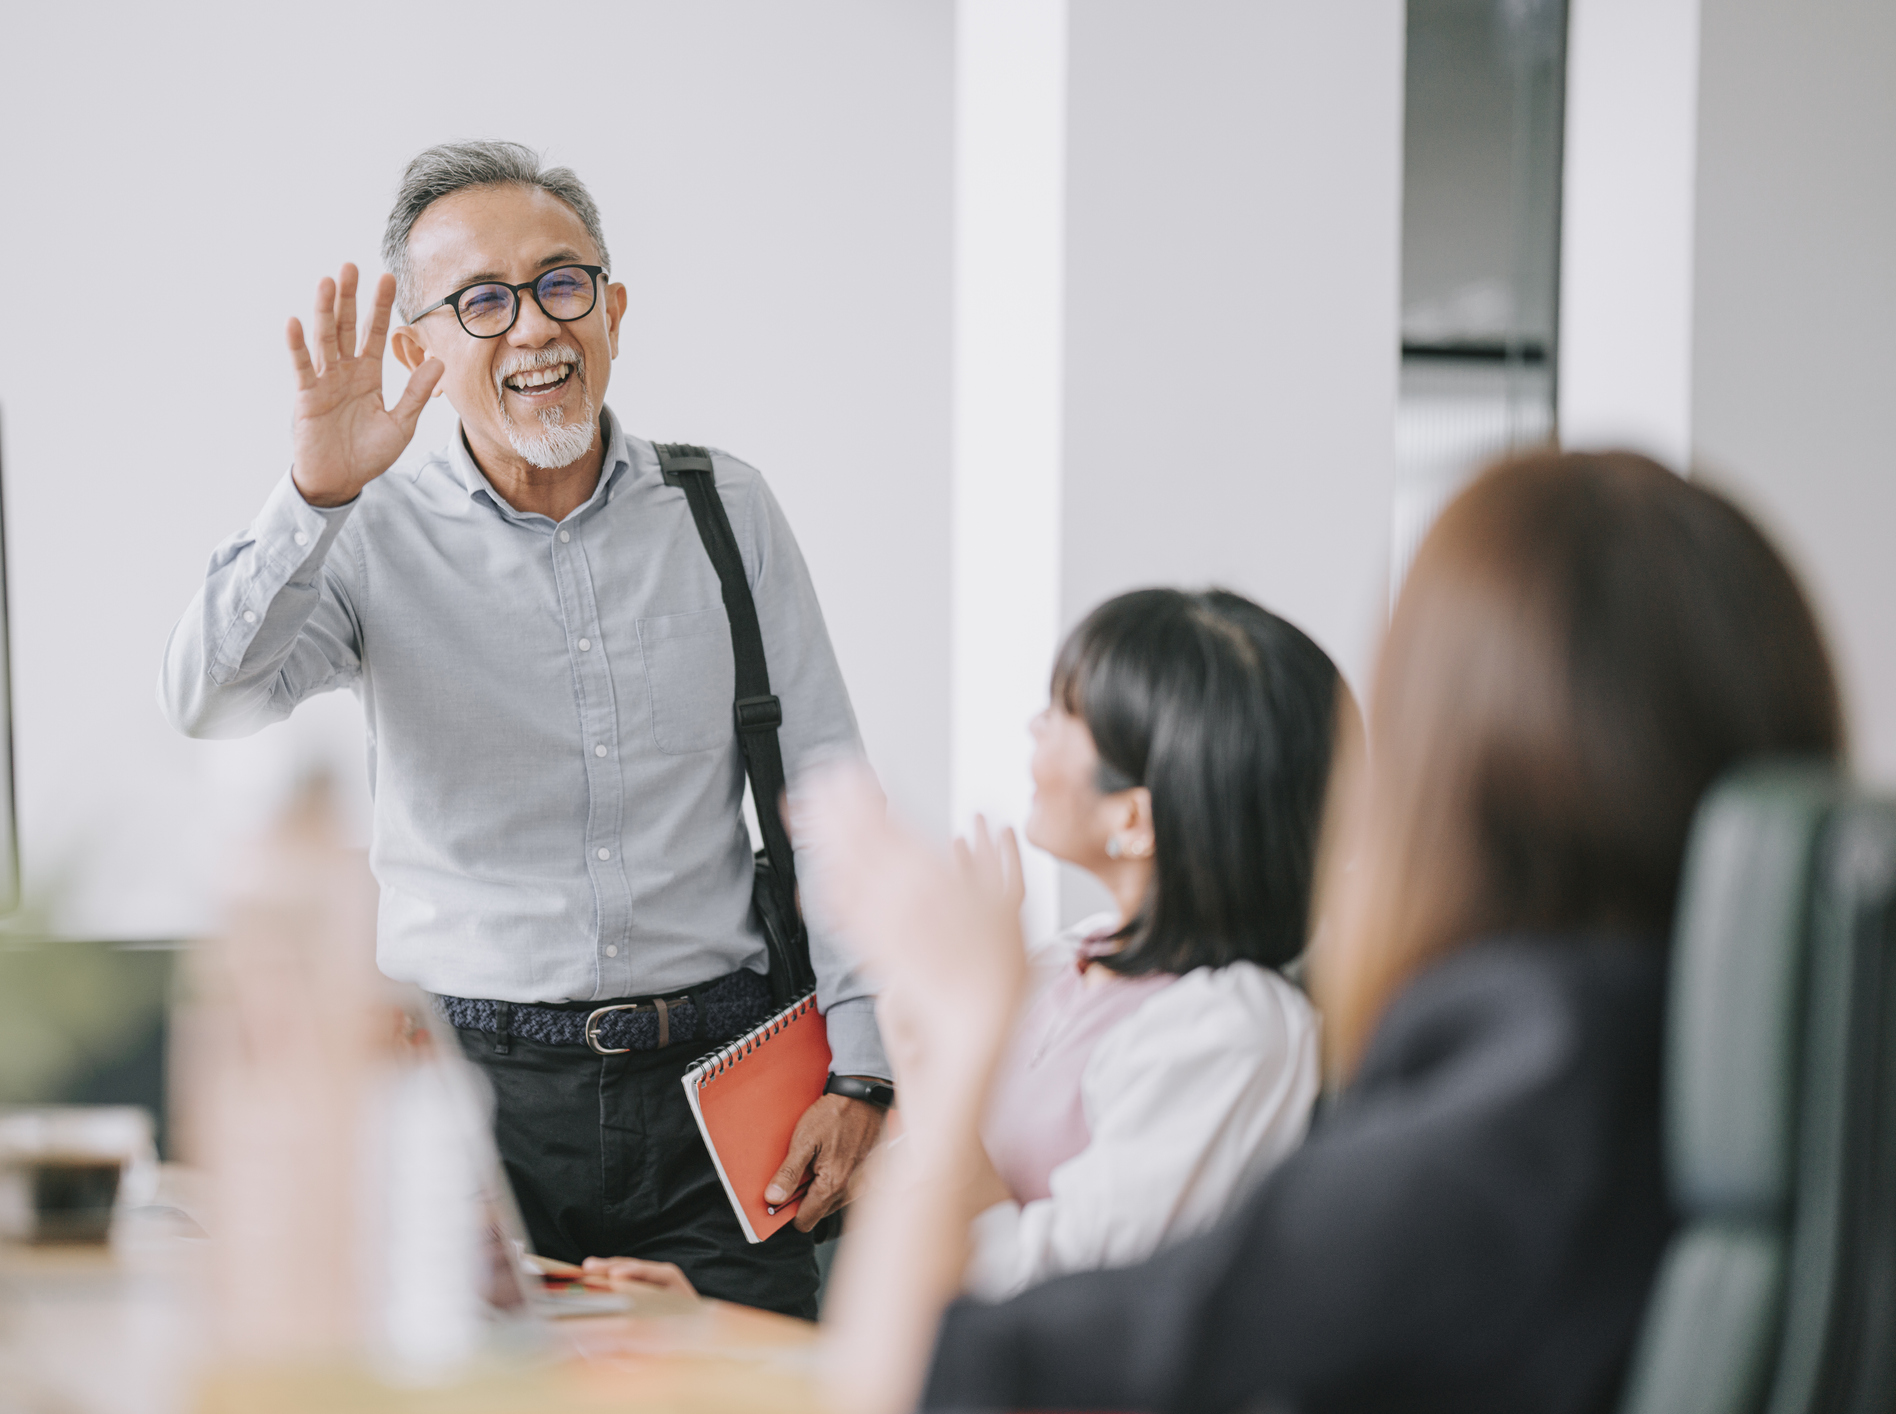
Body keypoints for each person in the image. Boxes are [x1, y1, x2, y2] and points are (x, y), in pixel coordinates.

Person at [808, 449, 1845, 1413]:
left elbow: (909, 1377)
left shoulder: (1474, 1152)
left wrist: (966, 1023)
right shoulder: (1773, 1081)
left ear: (1441, 772)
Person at [158, 140, 889, 1319]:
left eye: (562, 283)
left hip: (720, 1092)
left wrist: (866, 1072)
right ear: (418, 349)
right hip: (464, 1101)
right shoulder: (367, 532)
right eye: (481, 303)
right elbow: (209, 695)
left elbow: (830, 792)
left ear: (614, 307)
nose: (535, 329)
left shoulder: (723, 508)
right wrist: (314, 495)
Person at [967, 588, 1332, 1298]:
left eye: (1066, 715)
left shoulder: (1233, 1030)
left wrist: (950, 1040)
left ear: (1135, 819)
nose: (1035, 727)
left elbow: (1057, 1294)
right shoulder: (1068, 959)